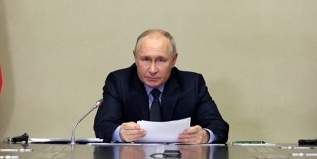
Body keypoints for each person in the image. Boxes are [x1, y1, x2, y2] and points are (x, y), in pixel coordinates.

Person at [92, 29, 229, 144]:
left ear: (174, 60)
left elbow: (219, 126)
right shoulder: (119, 82)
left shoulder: (192, 84)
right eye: (145, 59)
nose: (152, 69)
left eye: (161, 60)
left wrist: (205, 135)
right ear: (135, 57)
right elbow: (103, 125)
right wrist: (120, 133)